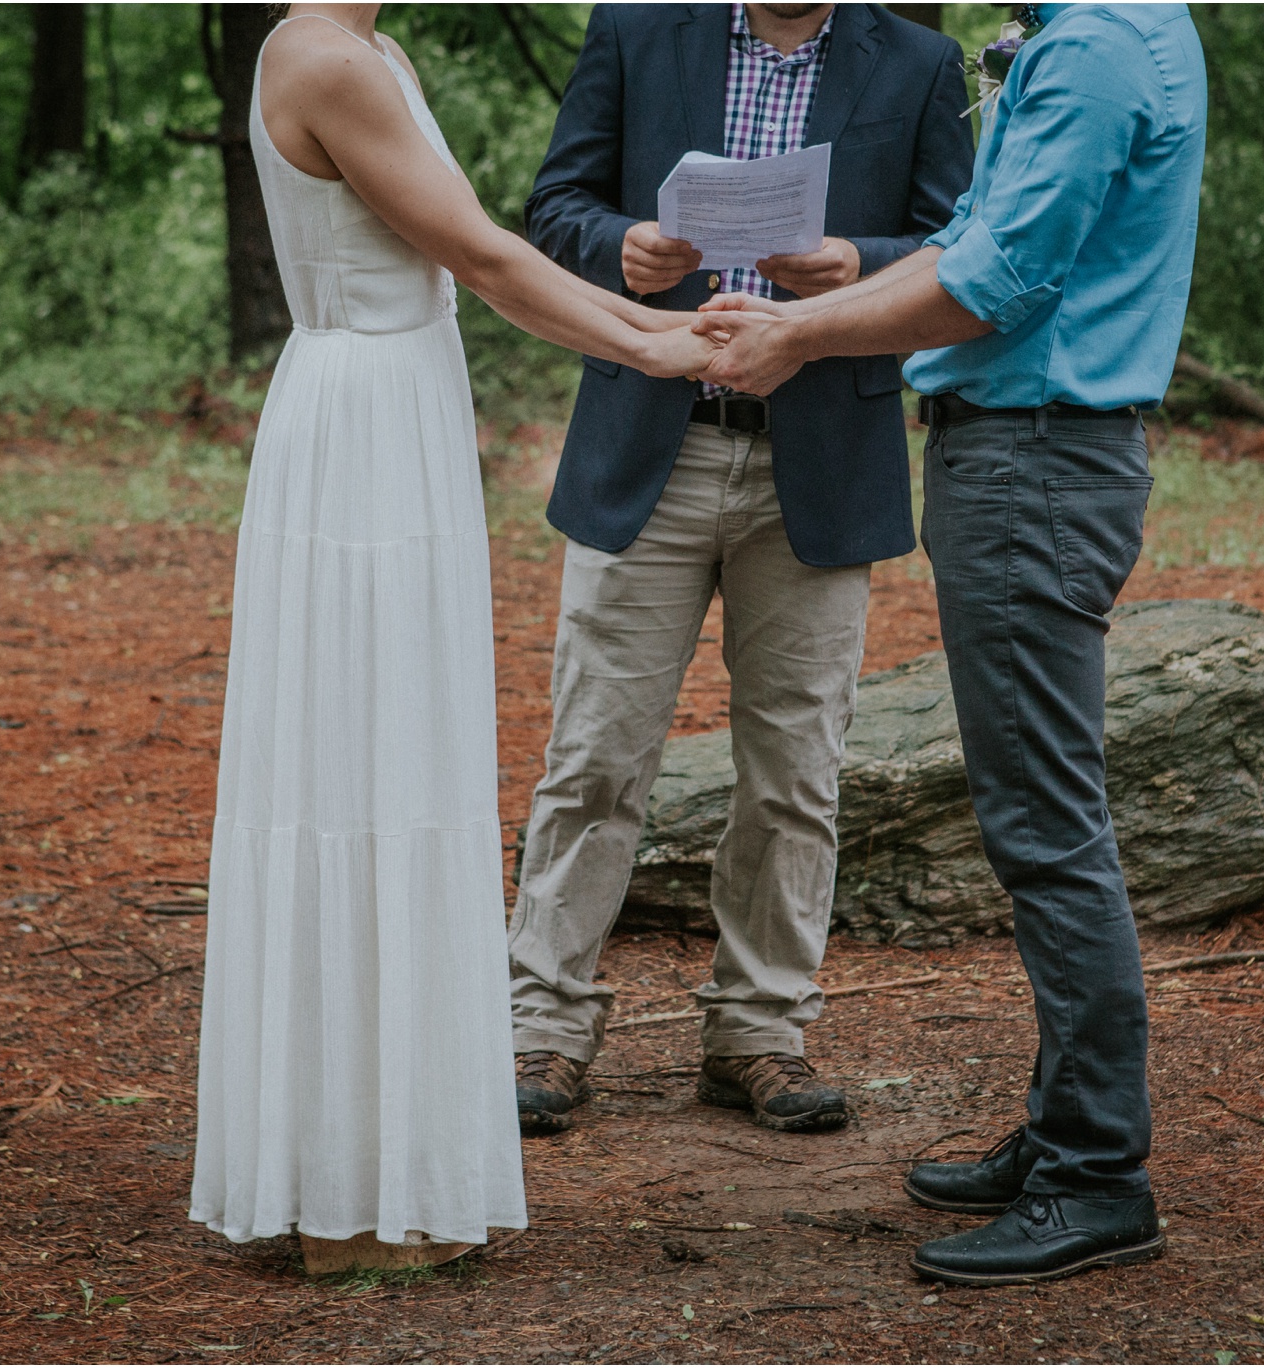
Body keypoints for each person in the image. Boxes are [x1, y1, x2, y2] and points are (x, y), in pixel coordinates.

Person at [188, 3, 714, 1275]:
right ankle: (344, 1192)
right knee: (358, 769)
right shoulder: (322, 55)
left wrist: (659, 335)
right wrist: (658, 341)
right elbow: (484, 258)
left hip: (393, 405)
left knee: (394, 760)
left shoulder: (372, 50)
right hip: (362, 422)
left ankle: (380, 1163)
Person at [695, 2, 1206, 1285]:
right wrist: (851, 280)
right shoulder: (1118, 27)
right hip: (1025, 456)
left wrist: (796, 334)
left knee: (1044, 823)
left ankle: (1098, 1173)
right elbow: (983, 233)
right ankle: (1059, 1133)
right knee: (1036, 808)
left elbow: (997, 278)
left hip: (1035, 461)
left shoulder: (1091, 47)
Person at [507, 3, 973, 1136]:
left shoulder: (915, 63)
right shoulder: (635, 32)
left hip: (818, 466)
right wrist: (614, 242)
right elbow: (550, 207)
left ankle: (760, 1030)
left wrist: (851, 263)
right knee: (594, 755)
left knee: (796, 769)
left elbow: (962, 239)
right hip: (645, 453)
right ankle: (542, 1029)